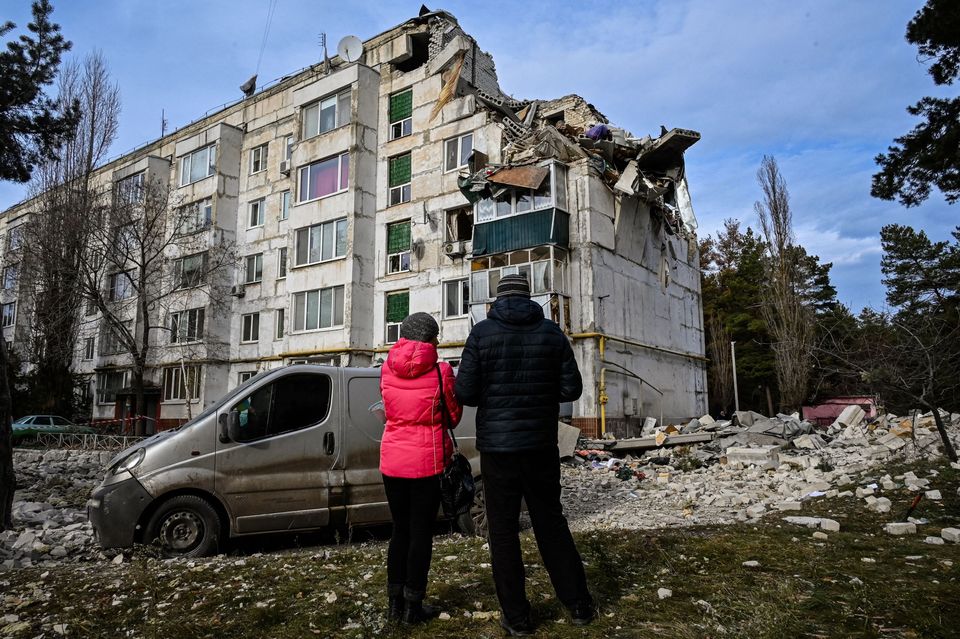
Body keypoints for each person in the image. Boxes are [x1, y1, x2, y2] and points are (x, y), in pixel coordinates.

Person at [455, 274, 593, 636]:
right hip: (540, 446)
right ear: (529, 297)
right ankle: (579, 604)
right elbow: (572, 388)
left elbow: (465, 392)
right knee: (551, 522)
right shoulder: (551, 333)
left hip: (499, 451)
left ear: (496, 299)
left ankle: (517, 618)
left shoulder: (481, 334)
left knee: (502, 531)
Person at [379, 312, 463, 624]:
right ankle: (413, 606)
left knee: (399, 531)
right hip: (427, 463)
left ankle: (393, 605)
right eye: (435, 336)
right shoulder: (442, 371)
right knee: (420, 534)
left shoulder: (386, 368)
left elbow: (389, 409)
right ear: (428, 339)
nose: (439, 341)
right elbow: (452, 417)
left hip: (392, 462)